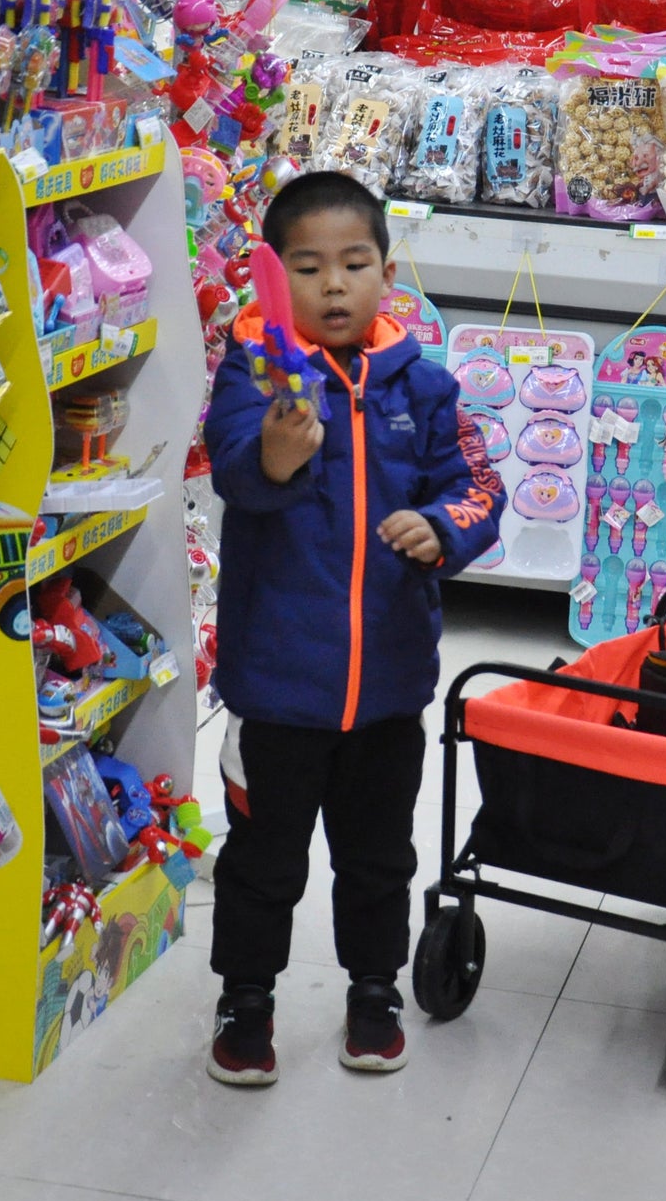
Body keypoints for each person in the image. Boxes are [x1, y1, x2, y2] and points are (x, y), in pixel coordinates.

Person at [202, 171, 506, 1084]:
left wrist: (444, 527)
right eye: (307, 266)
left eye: (353, 263)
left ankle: (373, 991)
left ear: (386, 270)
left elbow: (478, 487)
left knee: (378, 857)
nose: (332, 285)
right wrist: (277, 454)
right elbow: (234, 473)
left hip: (387, 687)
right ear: (273, 276)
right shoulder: (253, 370)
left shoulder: (425, 384)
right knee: (263, 858)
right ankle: (244, 998)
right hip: (277, 684)